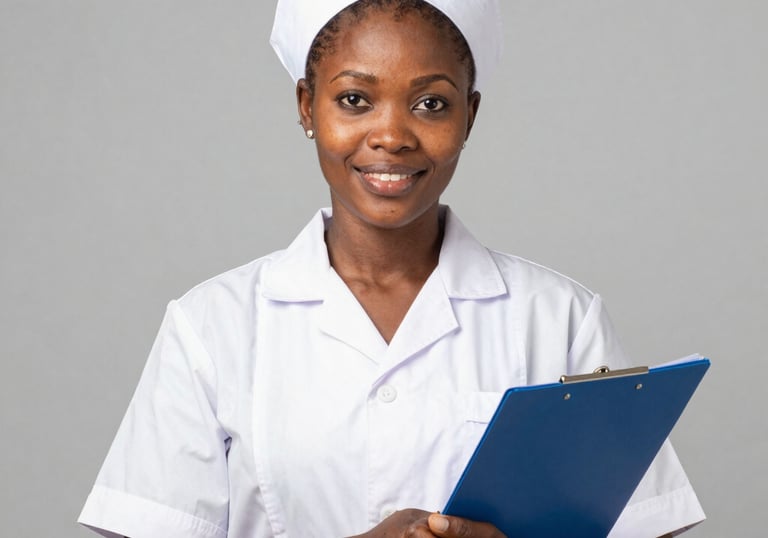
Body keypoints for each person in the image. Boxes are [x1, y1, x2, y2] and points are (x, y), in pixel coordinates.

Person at [78, 1, 705, 537]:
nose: (392, 135)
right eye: (355, 99)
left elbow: (649, 525)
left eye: (431, 103)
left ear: (470, 116)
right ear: (306, 106)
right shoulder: (211, 327)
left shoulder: (559, 318)